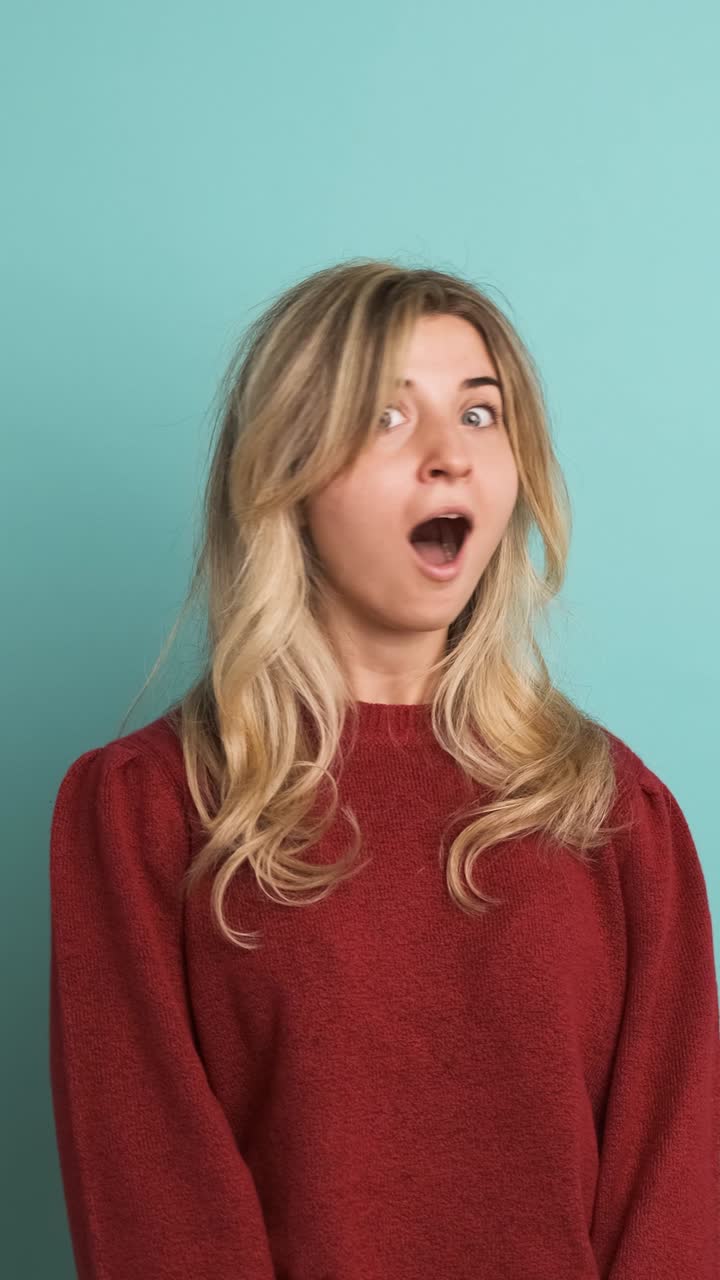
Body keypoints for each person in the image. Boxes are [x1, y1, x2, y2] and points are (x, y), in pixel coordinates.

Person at [49, 258, 720, 1278]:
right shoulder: (144, 809)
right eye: (387, 417)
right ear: (287, 472)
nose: (449, 457)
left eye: (481, 414)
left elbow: (676, 1204)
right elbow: (154, 1213)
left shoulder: (614, 809)